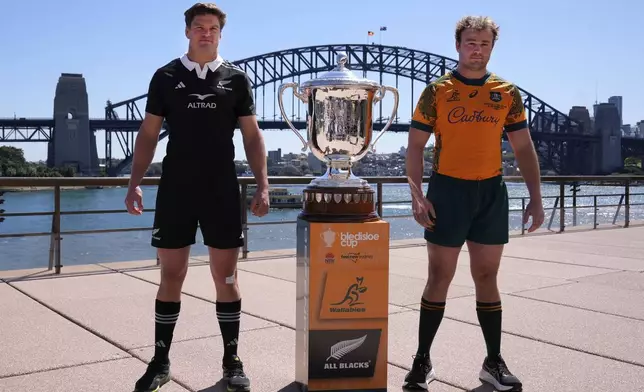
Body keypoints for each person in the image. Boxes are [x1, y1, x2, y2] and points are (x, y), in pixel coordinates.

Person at [123, 3, 269, 392]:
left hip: (221, 187)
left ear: (221, 34)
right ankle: (160, 360)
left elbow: (253, 137)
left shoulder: (236, 79)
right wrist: (134, 181)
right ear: (187, 31)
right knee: (172, 275)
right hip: (176, 188)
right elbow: (148, 135)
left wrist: (263, 184)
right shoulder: (165, 77)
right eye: (199, 27)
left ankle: (232, 361)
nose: (206, 33)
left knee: (226, 277)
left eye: (213, 28)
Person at [403, 15, 544, 392]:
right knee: (439, 278)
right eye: (470, 42)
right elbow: (415, 147)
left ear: (491, 48)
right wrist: (418, 197)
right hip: (448, 192)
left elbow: (524, 147)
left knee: (486, 277)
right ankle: (421, 360)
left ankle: (492, 362)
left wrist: (535, 198)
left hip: (491, 193)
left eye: (483, 43)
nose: (476, 49)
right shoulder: (438, 91)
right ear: (458, 45)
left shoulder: (507, 92)